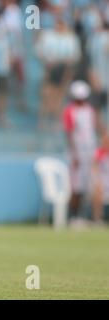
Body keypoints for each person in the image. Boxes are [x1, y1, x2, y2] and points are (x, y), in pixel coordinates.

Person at [62, 80, 103, 224]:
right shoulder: (70, 111)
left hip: (90, 152)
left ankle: (89, 217)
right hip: (77, 153)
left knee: (90, 185)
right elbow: (70, 134)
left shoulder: (90, 110)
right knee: (76, 186)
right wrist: (75, 155)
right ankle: (73, 216)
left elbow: (95, 130)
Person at [91, 132, 109, 226]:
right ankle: (98, 220)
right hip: (102, 182)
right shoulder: (99, 153)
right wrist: (97, 182)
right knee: (97, 193)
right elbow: (94, 169)